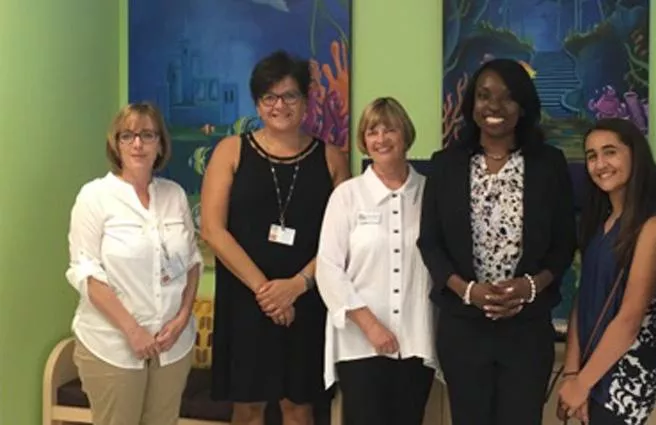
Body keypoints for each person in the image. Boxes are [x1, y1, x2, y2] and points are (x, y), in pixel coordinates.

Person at [417, 58, 577, 425]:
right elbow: (431, 243)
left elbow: (564, 243)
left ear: (522, 107)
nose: (494, 106)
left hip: (527, 329)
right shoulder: (446, 164)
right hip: (463, 326)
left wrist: (530, 287)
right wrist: (467, 290)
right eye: (484, 96)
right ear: (471, 104)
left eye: (507, 97)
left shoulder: (548, 164)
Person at [200, 50, 350, 425]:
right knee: (247, 407)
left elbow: (343, 239)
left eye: (290, 96)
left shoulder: (331, 158)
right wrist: (267, 291)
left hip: (308, 300)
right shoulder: (231, 151)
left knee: (299, 405)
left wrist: (297, 286)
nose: (279, 105)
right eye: (269, 96)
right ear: (257, 102)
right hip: (245, 298)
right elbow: (213, 230)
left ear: (306, 101)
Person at [65, 102, 202, 425]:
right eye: (127, 136)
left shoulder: (174, 195)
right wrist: (133, 331)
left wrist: (182, 318)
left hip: (173, 346)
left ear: (160, 144)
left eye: (147, 135)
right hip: (113, 346)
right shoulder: (95, 196)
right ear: (116, 143)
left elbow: (192, 261)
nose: (137, 144)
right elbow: (86, 272)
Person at [316, 97, 437, 425]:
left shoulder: (431, 194)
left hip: (415, 339)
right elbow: (328, 268)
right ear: (363, 141)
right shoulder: (347, 196)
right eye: (372, 131)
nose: (381, 139)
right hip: (359, 345)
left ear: (405, 135)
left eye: (390, 129)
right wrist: (370, 325)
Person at [557, 118, 656, 424]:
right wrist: (572, 373)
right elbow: (583, 297)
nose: (600, 163)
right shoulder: (598, 223)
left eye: (610, 152)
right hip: (589, 370)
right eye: (592, 155)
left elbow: (630, 318)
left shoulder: (652, 227)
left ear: (635, 155)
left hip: (626, 373)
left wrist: (582, 383)